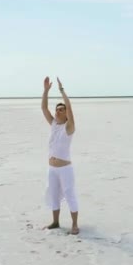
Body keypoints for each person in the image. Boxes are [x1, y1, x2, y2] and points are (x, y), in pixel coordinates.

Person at [41, 76, 79, 235]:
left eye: (61, 110)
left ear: (66, 114)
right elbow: (44, 108)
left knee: (70, 194)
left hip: (65, 169)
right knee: (53, 194)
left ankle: (75, 225)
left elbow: (70, 108)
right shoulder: (55, 125)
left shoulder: (69, 127)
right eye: (57, 109)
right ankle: (55, 222)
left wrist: (62, 91)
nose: (58, 111)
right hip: (52, 168)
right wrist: (46, 91)